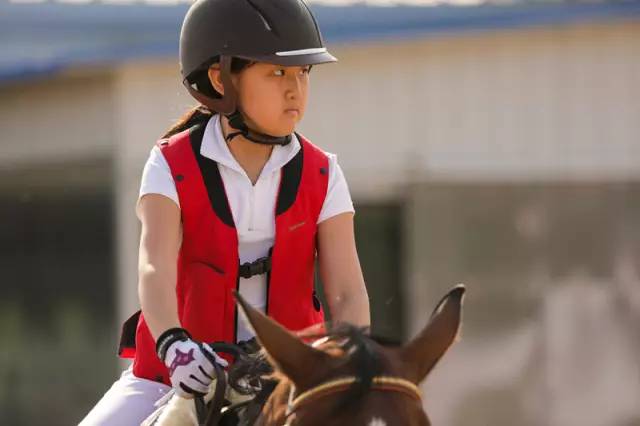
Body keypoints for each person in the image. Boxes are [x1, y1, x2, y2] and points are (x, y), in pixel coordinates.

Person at [79, 0, 370, 424]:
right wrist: (173, 344)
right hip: (174, 372)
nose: (295, 90)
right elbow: (153, 268)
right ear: (220, 78)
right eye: (277, 73)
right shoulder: (169, 164)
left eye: (303, 73)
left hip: (291, 381)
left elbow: (347, 291)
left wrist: (350, 362)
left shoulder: (325, 172)